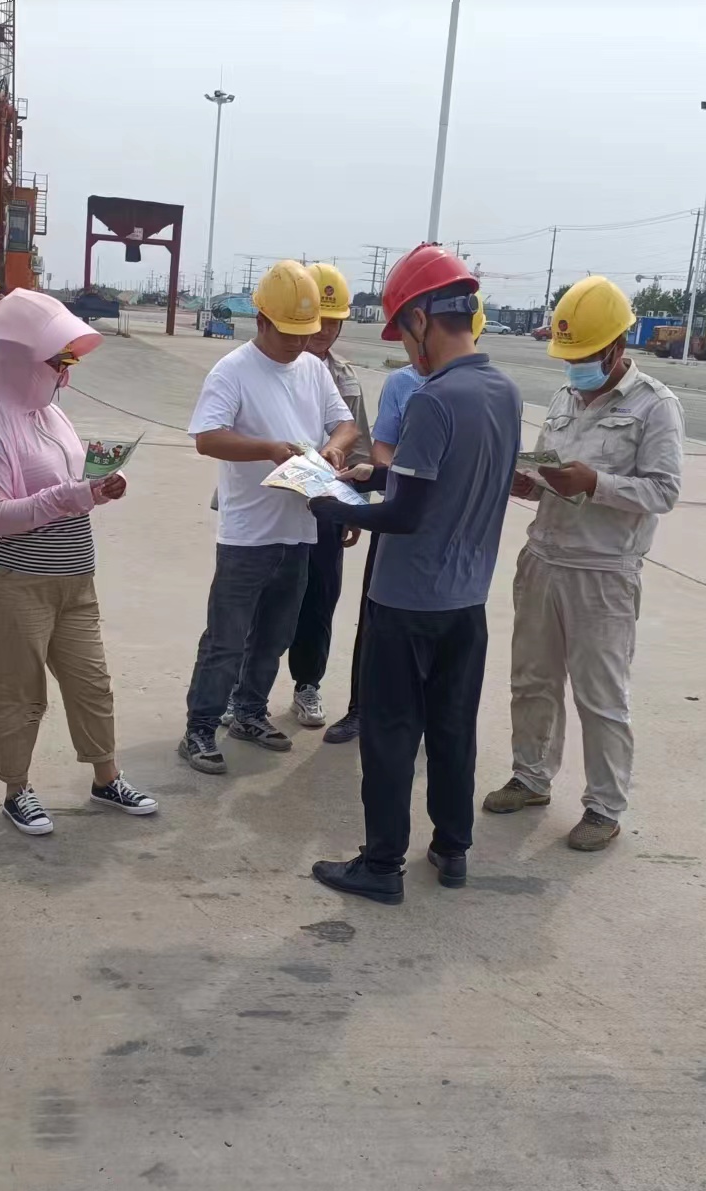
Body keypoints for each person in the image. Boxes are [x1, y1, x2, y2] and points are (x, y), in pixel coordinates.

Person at [307, 246, 521, 905]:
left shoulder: (434, 400)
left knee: (392, 733)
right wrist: (377, 475)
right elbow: (443, 480)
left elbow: (404, 516)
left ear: (423, 319)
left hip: (406, 602)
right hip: (467, 600)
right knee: (453, 727)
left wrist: (332, 504)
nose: (406, 348)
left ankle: (381, 865)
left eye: (403, 331)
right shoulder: (504, 392)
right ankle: (452, 848)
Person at [481, 275, 682, 852]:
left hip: (603, 572)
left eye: (586, 355)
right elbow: (553, 468)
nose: (576, 366)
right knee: (532, 679)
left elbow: (664, 491)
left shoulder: (655, 406)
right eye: (569, 356)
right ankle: (530, 777)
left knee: (600, 695)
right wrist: (532, 483)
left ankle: (604, 807)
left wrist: (597, 483)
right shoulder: (565, 398)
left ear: (617, 346)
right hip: (543, 557)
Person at [0, 289, 157, 834]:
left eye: (69, 359)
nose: (65, 372)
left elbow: (70, 481)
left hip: (74, 578)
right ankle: (16, 788)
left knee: (91, 683)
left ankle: (106, 777)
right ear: (18, 359)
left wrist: (100, 481)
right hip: (15, 582)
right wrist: (75, 496)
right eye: (58, 360)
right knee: (17, 693)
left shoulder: (50, 412)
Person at [178, 259, 358, 775]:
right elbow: (207, 438)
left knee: (276, 635)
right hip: (248, 534)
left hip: (298, 529)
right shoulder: (233, 370)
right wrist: (270, 449)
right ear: (261, 321)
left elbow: (344, 423)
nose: (299, 343)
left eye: (305, 332)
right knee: (226, 639)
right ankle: (200, 728)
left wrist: (334, 448)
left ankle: (250, 712)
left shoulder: (313, 369)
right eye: (288, 333)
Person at [320, 293, 484, 746]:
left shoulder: (459, 395)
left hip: (434, 526)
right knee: (377, 624)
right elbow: (384, 447)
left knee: (430, 640)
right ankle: (362, 708)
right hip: (400, 517)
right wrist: (392, 476)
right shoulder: (405, 384)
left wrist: (337, 508)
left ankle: (416, 723)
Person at [284, 262, 371, 732]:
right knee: (264, 598)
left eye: (335, 322)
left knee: (320, 597)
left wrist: (354, 507)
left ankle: (307, 684)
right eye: (321, 319)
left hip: (326, 507)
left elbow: (359, 446)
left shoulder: (345, 375)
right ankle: (244, 690)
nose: (326, 331)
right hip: (276, 503)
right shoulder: (274, 365)